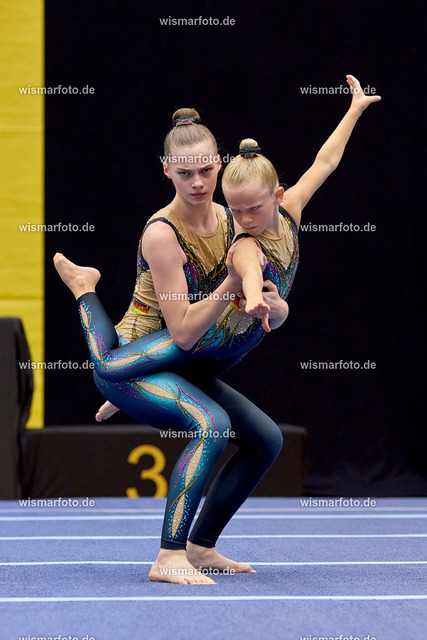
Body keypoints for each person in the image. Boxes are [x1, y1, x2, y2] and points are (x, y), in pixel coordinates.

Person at [54, 74, 380, 584]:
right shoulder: (163, 234)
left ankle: (201, 547)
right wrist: (234, 286)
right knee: (204, 421)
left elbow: (324, 163)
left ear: (222, 166)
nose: (198, 183)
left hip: (189, 359)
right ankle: (168, 555)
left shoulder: (238, 218)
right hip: (145, 349)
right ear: (167, 171)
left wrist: (275, 308)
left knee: (265, 439)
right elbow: (183, 332)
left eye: (206, 170)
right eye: (185, 173)